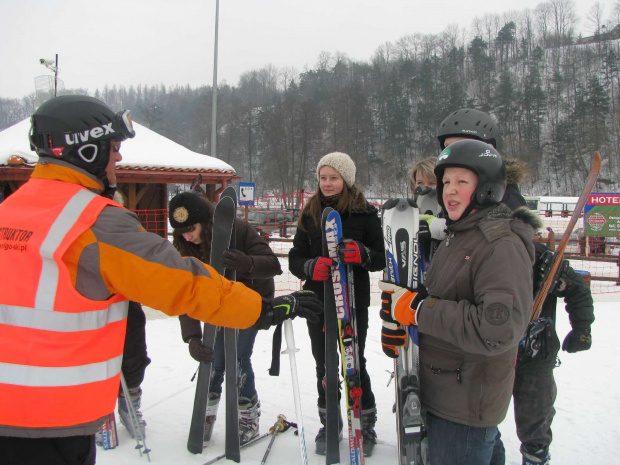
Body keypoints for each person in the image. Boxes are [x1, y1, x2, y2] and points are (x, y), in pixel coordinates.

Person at [0, 95, 322, 465]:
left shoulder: (11, 210)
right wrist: (264, 310)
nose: (118, 158)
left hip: (20, 412)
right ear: (87, 151)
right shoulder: (92, 221)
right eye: (114, 148)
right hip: (49, 417)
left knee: (234, 363)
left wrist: (247, 273)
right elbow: (181, 284)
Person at [379, 139, 539, 465]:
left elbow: (497, 329)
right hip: (447, 390)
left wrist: (419, 310)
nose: (449, 191)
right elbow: (446, 298)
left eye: (462, 182)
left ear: (487, 188)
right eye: (446, 182)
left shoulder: (499, 245)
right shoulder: (460, 233)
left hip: (463, 407)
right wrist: (406, 317)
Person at [288, 151, 385, 456]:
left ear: (346, 179)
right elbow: (295, 257)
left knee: (354, 360)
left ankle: (364, 422)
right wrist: (309, 267)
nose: (327, 184)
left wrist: (362, 254)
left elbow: (380, 256)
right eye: (323, 178)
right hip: (318, 300)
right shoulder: (310, 213)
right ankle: (329, 422)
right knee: (324, 363)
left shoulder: (365, 213)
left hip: (352, 299)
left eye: (334, 177)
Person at [168, 190, 282, 444]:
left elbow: (273, 264)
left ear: (204, 221)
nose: (187, 235)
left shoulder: (238, 230)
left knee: (238, 358)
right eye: (181, 231)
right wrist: (192, 338)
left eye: (191, 228)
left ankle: (247, 414)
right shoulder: (184, 249)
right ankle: (206, 413)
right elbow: (184, 293)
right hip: (214, 306)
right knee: (213, 359)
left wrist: (248, 263)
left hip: (249, 303)